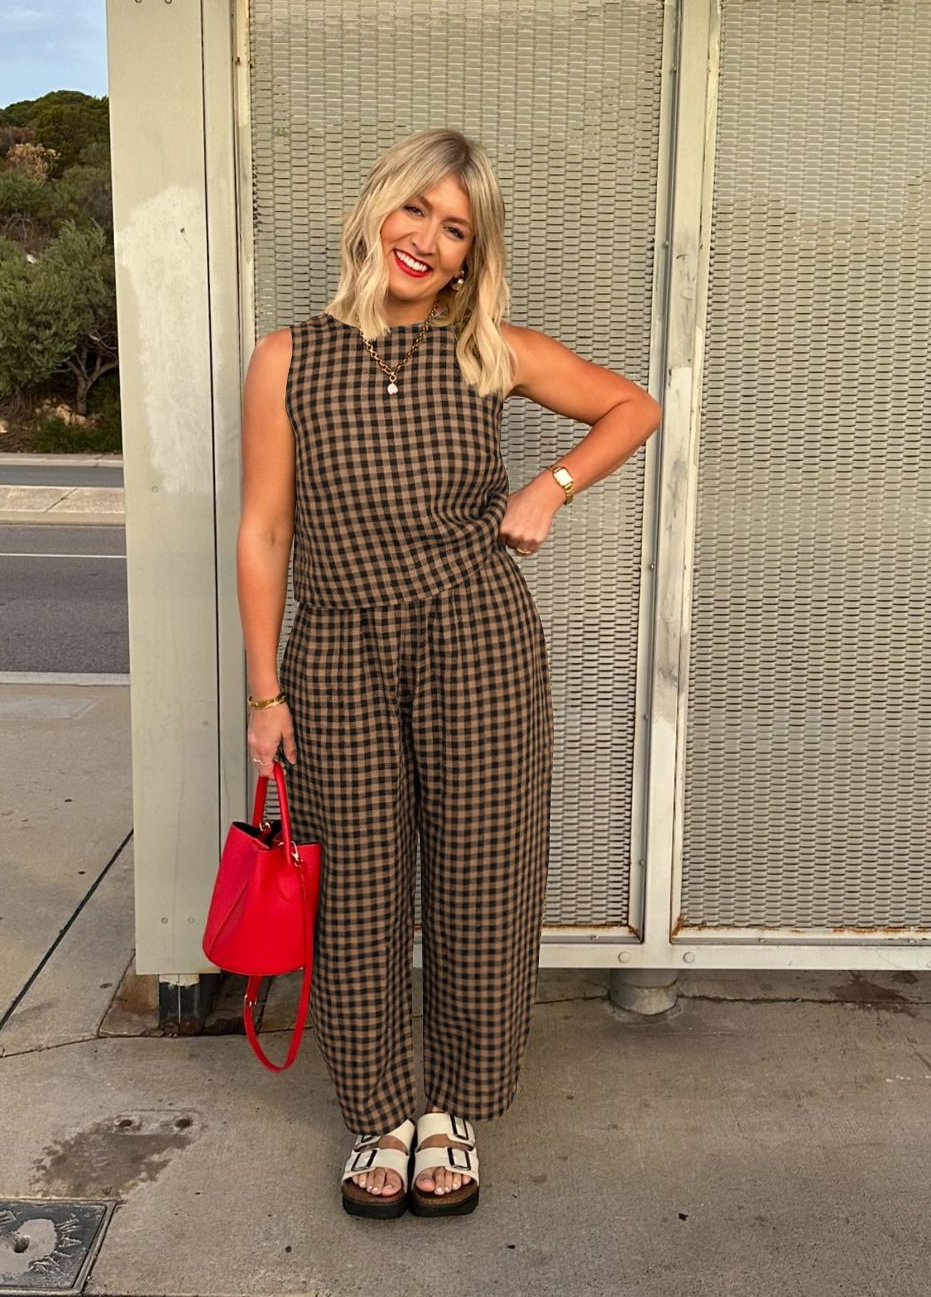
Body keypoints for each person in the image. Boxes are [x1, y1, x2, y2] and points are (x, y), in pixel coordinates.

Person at [236, 127, 660, 1220]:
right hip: (336, 648)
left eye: (456, 227)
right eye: (415, 209)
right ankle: (380, 1112)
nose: (427, 239)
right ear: (377, 211)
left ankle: (455, 1108)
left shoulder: (491, 351)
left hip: (478, 638)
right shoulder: (289, 357)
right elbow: (266, 531)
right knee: (355, 887)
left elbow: (634, 407)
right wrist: (264, 694)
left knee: (484, 876)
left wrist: (551, 486)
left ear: (474, 252)